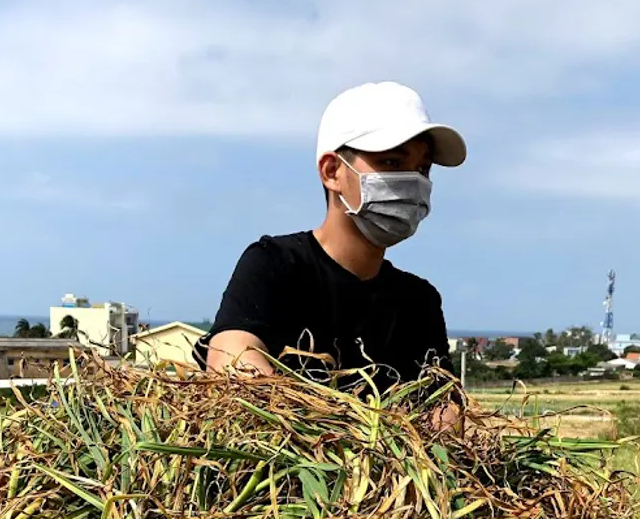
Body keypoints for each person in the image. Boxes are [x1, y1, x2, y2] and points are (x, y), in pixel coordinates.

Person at [196, 81, 466, 394]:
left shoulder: (419, 302)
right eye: (392, 162)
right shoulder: (275, 264)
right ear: (332, 171)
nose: (414, 182)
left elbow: (444, 409)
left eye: (423, 168)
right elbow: (232, 362)